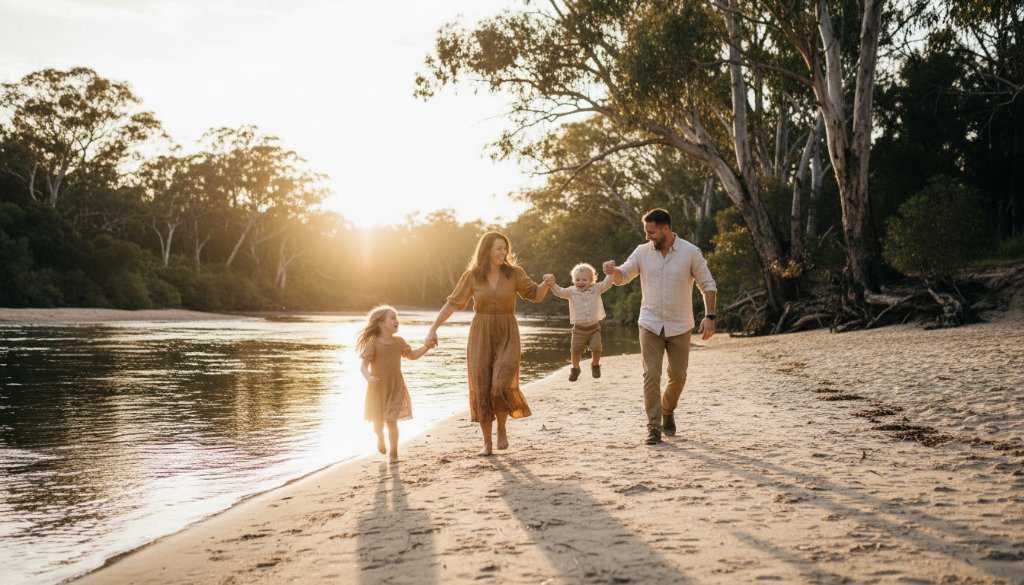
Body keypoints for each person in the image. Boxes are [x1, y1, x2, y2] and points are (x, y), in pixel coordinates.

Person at [425, 231, 552, 456]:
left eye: (505, 248)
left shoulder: (514, 273)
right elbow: (453, 304)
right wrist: (433, 327)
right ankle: (487, 442)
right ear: (487, 250)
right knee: (482, 386)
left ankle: (502, 430)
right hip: (481, 333)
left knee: (501, 384)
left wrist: (545, 284)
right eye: (498, 248)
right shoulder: (473, 276)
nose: (503, 253)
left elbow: (535, 295)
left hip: (507, 332)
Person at [603, 208, 717, 445]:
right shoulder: (642, 252)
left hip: (680, 325)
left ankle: (667, 410)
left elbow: (708, 285)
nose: (648, 237)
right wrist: (613, 272)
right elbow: (623, 276)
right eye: (646, 232)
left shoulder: (690, 252)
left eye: (651, 232)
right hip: (650, 323)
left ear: (666, 228)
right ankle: (653, 427)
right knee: (651, 375)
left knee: (678, 376)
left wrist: (710, 316)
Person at [357, 305, 432, 463]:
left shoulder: (399, 342)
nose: (396, 321)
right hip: (377, 388)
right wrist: (369, 377)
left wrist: (426, 346)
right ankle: (380, 437)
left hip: (395, 386)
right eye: (392, 318)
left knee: (391, 421)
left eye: (397, 318)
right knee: (378, 425)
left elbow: (412, 356)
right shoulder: (373, 344)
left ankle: (394, 453)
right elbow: (363, 367)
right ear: (381, 323)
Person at [544, 263, 614, 381]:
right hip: (578, 329)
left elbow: (607, 283)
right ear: (573, 280)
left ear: (591, 280)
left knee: (597, 348)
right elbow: (560, 291)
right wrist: (552, 284)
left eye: (584, 280)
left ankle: (595, 365)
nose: (580, 282)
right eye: (577, 280)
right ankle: (575, 369)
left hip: (594, 328)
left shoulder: (596, 289)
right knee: (575, 351)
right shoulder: (571, 291)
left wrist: (610, 273)